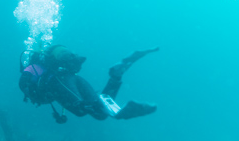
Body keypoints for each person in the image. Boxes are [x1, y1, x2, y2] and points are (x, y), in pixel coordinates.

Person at [19, 44, 158, 123]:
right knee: (101, 113)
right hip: (73, 78)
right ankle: (115, 76)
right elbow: (62, 97)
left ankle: (116, 76)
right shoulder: (58, 69)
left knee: (81, 110)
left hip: (60, 83)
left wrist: (29, 92)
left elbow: (22, 83)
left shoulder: (32, 68)